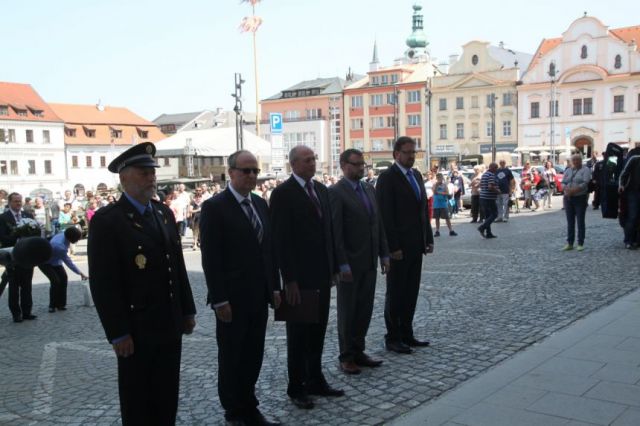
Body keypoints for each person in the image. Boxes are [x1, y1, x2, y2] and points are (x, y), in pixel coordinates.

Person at [88, 142, 196, 425]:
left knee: (166, 394)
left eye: (153, 171)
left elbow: (177, 265)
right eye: (144, 171)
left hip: (169, 323)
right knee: (137, 400)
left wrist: (187, 309)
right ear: (123, 177)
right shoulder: (108, 221)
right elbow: (104, 284)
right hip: (137, 328)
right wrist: (118, 332)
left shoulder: (163, 213)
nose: (152, 177)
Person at [199, 150, 281, 426]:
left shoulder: (260, 204)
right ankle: (234, 411)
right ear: (231, 172)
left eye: (255, 171)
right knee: (232, 355)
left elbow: (268, 251)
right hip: (232, 298)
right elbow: (211, 257)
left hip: (259, 295)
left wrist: (275, 288)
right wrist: (219, 299)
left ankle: (249, 405)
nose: (251, 176)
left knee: (253, 353)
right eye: (245, 170)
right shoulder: (214, 207)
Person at [270, 145, 344, 410]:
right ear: (293, 164)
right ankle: (297, 386)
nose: (313, 163)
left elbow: (328, 233)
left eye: (314, 158)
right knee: (299, 334)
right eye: (307, 160)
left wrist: (333, 267)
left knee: (318, 331)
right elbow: (281, 240)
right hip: (298, 279)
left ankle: (315, 378)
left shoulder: (321, 190)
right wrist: (289, 280)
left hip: (322, 275)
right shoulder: (282, 194)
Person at [329, 149, 389, 376]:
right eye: (356, 164)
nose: (361, 168)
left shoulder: (368, 189)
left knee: (364, 308)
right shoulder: (336, 192)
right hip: (350, 264)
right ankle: (346, 356)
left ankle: (359, 350)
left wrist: (384, 254)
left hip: (369, 260)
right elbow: (336, 231)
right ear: (344, 165)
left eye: (362, 164)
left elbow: (378, 224)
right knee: (348, 311)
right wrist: (341, 264)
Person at [376, 136, 434, 355]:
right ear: (396, 154)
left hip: (415, 245)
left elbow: (422, 212)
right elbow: (386, 216)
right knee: (396, 293)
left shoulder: (416, 175)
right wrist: (392, 247)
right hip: (398, 248)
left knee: (411, 291)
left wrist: (427, 238)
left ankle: (407, 333)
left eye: (413, 152)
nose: (411, 156)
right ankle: (393, 337)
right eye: (408, 152)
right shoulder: (387, 178)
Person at [0, 193, 37, 323]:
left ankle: (27, 311)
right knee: (14, 287)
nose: (18, 204)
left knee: (27, 285)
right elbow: (2, 237)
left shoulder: (28, 215)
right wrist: (17, 235)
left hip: (27, 255)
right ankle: (16, 314)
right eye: (16, 201)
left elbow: (35, 232)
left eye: (20, 201)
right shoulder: (3, 218)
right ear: (9, 202)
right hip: (12, 255)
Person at [39, 227, 88, 312]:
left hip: (55, 261)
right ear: (71, 238)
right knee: (55, 281)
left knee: (64, 278)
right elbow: (68, 262)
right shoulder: (59, 246)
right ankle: (52, 305)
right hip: (44, 262)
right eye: (77, 239)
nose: (77, 241)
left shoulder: (64, 234)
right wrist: (80, 273)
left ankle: (61, 304)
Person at [561, 154, 592, 251]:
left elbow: (585, 182)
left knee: (580, 221)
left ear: (581, 161)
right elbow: (563, 182)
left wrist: (574, 190)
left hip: (580, 198)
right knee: (570, 222)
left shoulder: (585, 170)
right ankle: (570, 243)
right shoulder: (568, 170)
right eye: (573, 160)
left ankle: (580, 243)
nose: (575, 162)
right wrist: (566, 189)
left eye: (577, 160)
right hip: (568, 198)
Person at [618, 147, 640, 249]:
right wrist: (621, 185)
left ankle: (636, 240)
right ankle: (628, 240)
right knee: (633, 216)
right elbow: (624, 172)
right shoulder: (635, 156)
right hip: (633, 190)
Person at [478, 163, 500, 239]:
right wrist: (497, 191)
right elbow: (490, 187)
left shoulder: (484, 174)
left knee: (488, 216)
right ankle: (482, 227)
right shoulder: (491, 175)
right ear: (491, 167)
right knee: (495, 214)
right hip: (489, 198)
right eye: (496, 167)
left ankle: (489, 233)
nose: (496, 169)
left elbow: (481, 185)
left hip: (483, 197)